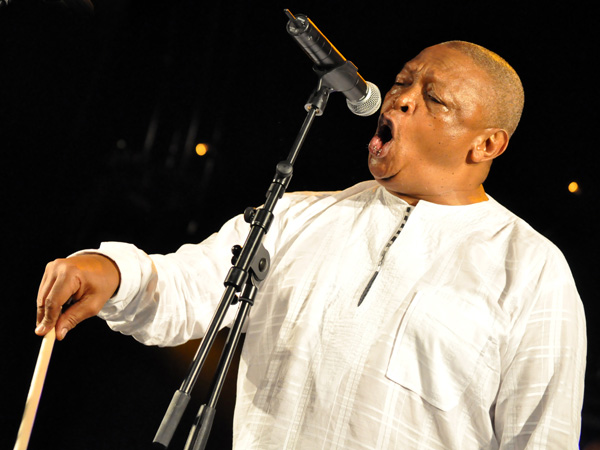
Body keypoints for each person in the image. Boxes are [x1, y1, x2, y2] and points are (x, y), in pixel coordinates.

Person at [35, 41, 586, 449]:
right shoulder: (297, 215)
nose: (399, 102)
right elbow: (186, 285)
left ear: (487, 144)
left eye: (434, 98)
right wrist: (107, 269)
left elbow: (543, 434)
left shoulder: (531, 268)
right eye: (401, 82)